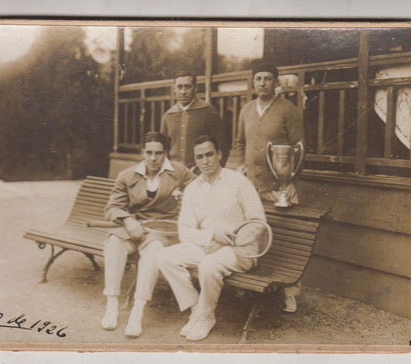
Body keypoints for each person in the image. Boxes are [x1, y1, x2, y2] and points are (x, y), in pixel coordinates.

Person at [157, 135, 265, 341]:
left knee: (208, 265)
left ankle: (206, 317)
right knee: (164, 257)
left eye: (209, 155)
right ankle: (197, 309)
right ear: (195, 160)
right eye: (199, 157)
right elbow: (185, 231)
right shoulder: (192, 189)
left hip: (240, 251)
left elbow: (258, 223)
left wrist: (229, 239)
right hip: (208, 246)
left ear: (219, 155)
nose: (205, 161)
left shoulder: (239, 182)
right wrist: (211, 236)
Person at [102, 132, 195, 338]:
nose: (153, 158)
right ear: (142, 153)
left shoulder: (178, 171)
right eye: (149, 152)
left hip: (162, 231)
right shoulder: (127, 175)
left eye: (158, 153)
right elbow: (112, 208)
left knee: (153, 250)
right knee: (114, 242)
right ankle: (112, 304)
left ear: (166, 153)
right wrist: (127, 220)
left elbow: (201, 190)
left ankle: (138, 311)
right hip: (132, 225)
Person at [235, 62, 304, 313]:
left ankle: (290, 292)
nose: (262, 83)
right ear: (253, 83)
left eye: (267, 79)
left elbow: (298, 147)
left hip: (279, 186)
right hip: (251, 186)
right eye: (258, 79)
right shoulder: (246, 109)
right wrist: (242, 165)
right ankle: (249, 285)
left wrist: (290, 180)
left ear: (276, 83)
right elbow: (239, 142)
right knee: (252, 235)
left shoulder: (288, 109)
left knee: (287, 238)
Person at [160, 71, 229, 170]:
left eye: (187, 87)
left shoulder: (209, 111)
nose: (183, 92)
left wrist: (214, 174)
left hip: (202, 175)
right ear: (174, 89)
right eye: (179, 87)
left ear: (195, 88)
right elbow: (163, 149)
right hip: (175, 174)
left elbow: (222, 147)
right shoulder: (168, 116)